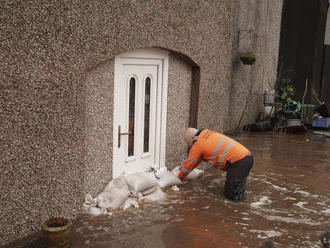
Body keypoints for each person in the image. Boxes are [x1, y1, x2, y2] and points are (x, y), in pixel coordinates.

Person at [178, 128, 253, 202]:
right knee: (237, 187)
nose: (190, 146)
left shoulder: (197, 144)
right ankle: (243, 205)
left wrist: (178, 178)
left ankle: (236, 210)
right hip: (246, 157)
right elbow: (196, 161)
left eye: (188, 143)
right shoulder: (207, 133)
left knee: (231, 196)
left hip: (238, 161)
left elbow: (189, 165)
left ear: (192, 137)